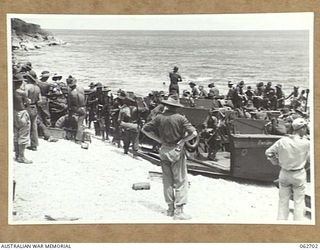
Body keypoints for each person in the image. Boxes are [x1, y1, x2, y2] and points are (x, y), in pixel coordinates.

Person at [142, 95, 197, 220]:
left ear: (167, 105)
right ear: (176, 107)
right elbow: (194, 133)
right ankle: (179, 211)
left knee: (167, 181)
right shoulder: (180, 118)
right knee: (180, 181)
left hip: (163, 149)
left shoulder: (159, 117)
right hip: (176, 150)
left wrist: (159, 139)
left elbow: (145, 129)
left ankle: (170, 209)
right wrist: (183, 141)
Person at [265, 118, 310, 221]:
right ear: (301, 129)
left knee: (283, 201)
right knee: (299, 201)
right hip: (299, 174)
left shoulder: (282, 141)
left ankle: (281, 222)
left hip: (284, 173)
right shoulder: (306, 143)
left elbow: (268, 152)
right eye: (305, 128)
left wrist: (275, 161)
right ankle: (298, 224)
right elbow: (310, 160)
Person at [13, 73, 32, 164]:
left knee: (16, 134)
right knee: (23, 135)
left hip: (14, 112)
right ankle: (21, 156)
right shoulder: (22, 92)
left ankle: (17, 155)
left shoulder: (11, 91)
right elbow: (27, 103)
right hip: (22, 113)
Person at [117, 91, 140, 155]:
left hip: (126, 126)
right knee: (135, 140)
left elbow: (119, 120)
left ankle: (126, 151)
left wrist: (121, 126)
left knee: (126, 140)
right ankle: (135, 153)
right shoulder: (137, 109)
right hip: (135, 126)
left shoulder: (123, 109)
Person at [24, 70, 42, 151]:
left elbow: (25, 98)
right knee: (34, 127)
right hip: (35, 107)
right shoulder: (37, 88)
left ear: (28, 78)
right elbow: (40, 100)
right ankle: (34, 145)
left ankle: (22, 144)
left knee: (24, 126)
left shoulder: (27, 87)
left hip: (27, 107)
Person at [66, 75, 86, 143]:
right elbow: (84, 99)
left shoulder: (71, 92)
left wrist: (69, 109)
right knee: (80, 124)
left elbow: (69, 103)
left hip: (75, 108)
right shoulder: (81, 88)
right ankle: (78, 139)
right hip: (83, 107)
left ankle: (70, 133)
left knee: (70, 117)